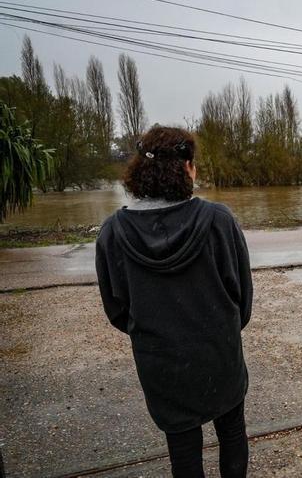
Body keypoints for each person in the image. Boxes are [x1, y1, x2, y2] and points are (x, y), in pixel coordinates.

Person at [95, 126, 253, 477]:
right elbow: (242, 297)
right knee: (231, 433)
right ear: (186, 168)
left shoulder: (113, 233)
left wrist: (154, 335)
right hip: (219, 353)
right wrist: (222, 327)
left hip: (161, 363)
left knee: (183, 452)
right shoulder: (219, 221)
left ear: (141, 170)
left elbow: (117, 309)